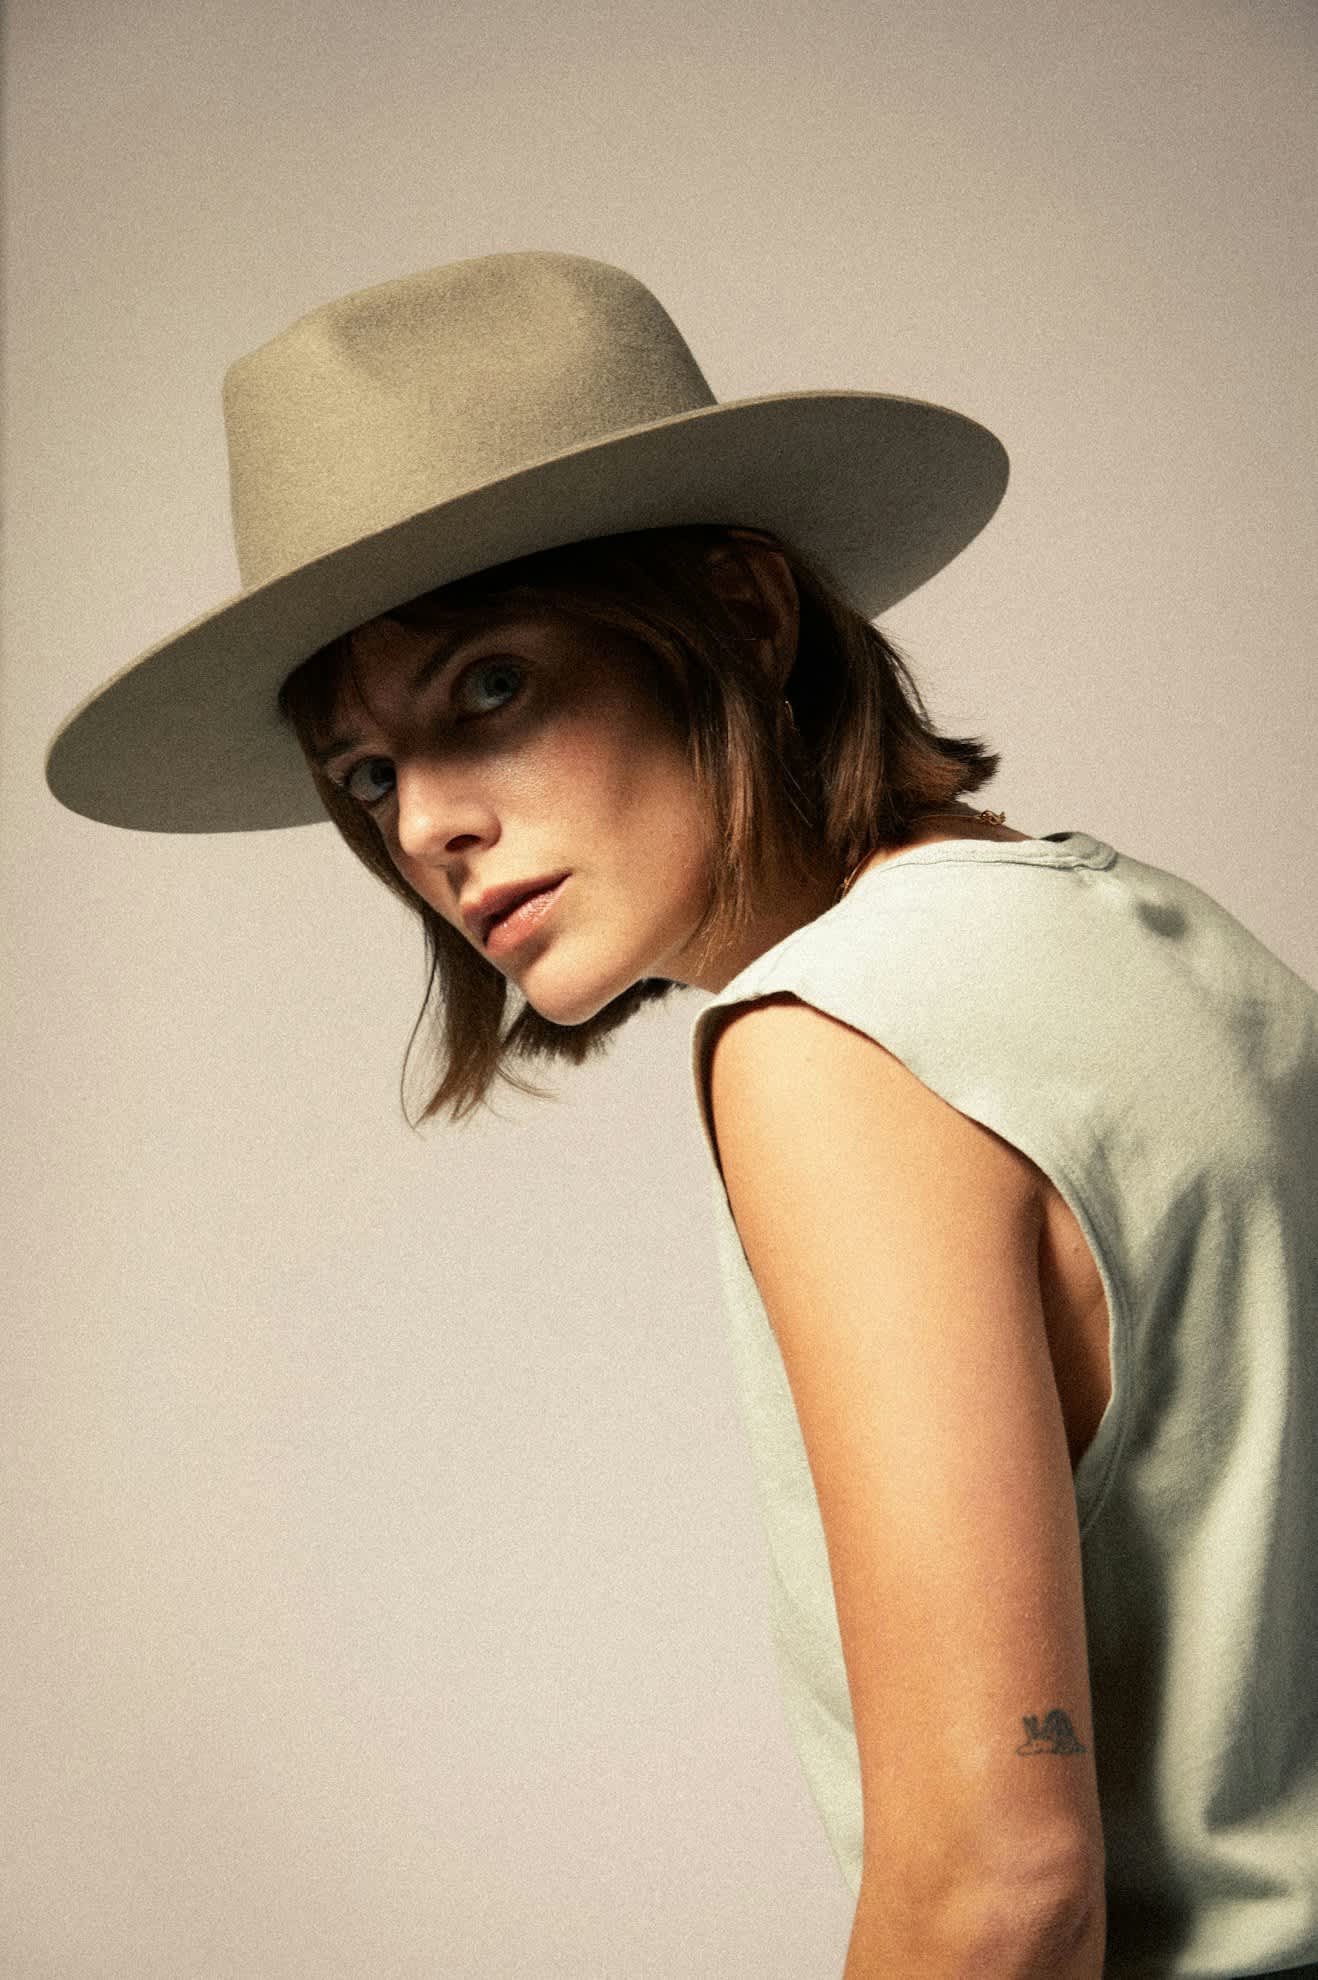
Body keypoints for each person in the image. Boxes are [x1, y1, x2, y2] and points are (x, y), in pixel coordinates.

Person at [44, 251, 1318, 1980]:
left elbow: (999, 1888)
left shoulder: (833, 1046)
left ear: (740, 611)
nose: (422, 825)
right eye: (366, 772)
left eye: (487, 686)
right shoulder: (1164, 944)